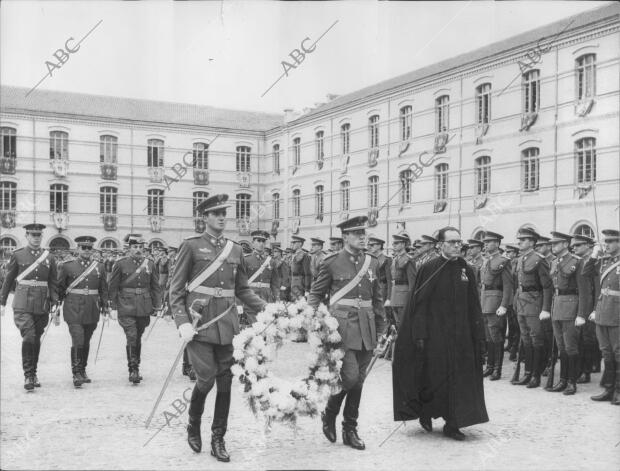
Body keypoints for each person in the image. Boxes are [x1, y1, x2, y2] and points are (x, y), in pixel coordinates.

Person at [169, 194, 267, 462]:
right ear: (204, 217)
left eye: (224, 213)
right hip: (200, 326)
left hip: (228, 325)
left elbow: (242, 289)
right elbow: (175, 290)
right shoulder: (190, 247)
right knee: (206, 378)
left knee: (225, 383)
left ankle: (218, 437)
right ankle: (193, 422)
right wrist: (183, 323)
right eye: (216, 213)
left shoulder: (235, 249)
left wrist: (265, 309)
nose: (222, 217)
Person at [392, 226, 488, 441]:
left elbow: (474, 304)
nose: (457, 246)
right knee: (433, 378)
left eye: (459, 242)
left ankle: (453, 423)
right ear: (440, 245)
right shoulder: (429, 268)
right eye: (452, 242)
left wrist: (478, 334)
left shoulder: (466, 268)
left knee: (459, 379)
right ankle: (426, 413)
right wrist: (419, 334)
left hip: (461, 335)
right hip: (435, 336)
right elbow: (419, 304)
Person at [308, 215, 387, 450]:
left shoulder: (372, 262)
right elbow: (315, 294)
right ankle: (330, 413)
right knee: (350, 377)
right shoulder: (332, 262)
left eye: (365, 234)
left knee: (359, 381)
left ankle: (350, 429)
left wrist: (381, 329)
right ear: (345, 237)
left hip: (367, 326)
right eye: (357, 234)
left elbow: (377, 298)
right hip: (341, 329)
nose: (363, 238)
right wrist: (313, 319)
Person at [0, 223, 59, 391]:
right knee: (29, 336)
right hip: (22, 303)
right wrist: (2, 302)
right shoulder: (17, 255)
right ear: (26, 236)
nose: (36, 238)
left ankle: (33, 373)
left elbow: (53, 283)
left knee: (36, 338)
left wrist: (55, 304)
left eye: (39, 235)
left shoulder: (49, 257)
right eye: (33, 235)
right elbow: (9, 280)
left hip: (41, 304)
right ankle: (28, 376)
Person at [108, 234, 162, 384]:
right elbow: (113, 286)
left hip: (144, 306)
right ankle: (133, 369)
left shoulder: (150, 264)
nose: (138, 250)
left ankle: (135, 364)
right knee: (131, 335)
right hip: (126, 304)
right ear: (129, 248)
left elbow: (155, 286)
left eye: (140, 247)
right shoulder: (120, 264)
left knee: (137, 336)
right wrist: (112, 306)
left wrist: (158, 304)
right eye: (134, 247)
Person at [56, 236, 108, 387]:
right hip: (73, 308)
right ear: (77, 249)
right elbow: (59, 287)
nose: (86, 251)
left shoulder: (100, 266)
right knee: (77, 339)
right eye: (83, 248)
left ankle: (83, 370)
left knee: (86, 340)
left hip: (92, 308)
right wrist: (56, 305)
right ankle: (76, 372)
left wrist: (105, 306)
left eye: (89, 248)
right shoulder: (67, 266)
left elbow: (103, 289)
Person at [513, 228, 553, 388]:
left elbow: (547, 287)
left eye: (523, 240)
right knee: (526, 338)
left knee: (536, 338)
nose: (520, 242)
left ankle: (536, 374)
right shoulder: (521, 259)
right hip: (522, 303)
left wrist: (545, 308)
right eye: (519, 240)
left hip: (535, 303)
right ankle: (527, 372)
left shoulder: (539, 259)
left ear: (531, 242)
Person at [583, 229, 620, 405]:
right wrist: (594, 255)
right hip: (603, 312)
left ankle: (618, 391)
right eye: (606, 242)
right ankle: (609, 389)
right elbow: (586, 272)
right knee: (606, 352)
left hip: (617, 314)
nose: (607, 244)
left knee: (618, 353)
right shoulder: (604, 262)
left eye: (611, 241)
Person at [545, 231, 584, 395]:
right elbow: (552, 287)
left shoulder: (576, 261)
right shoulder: (555, 262)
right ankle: (562, 379)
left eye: (556, 243)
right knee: (561, 347)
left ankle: (572, 382)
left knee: (571, 347)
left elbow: (583, 290)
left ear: (566, 244)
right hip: (557, 305)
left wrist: (581, 313)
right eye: (552, 243)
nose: (553, 246)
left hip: (570, 306)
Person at [479, 231, 513, 381]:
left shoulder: (503, 261)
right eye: (485, 242)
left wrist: (504, 305)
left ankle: (497, 369)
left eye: (489, 241)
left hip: (495, 301)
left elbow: (508, 285)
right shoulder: (487, 260)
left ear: (498, 244)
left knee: (496, 336)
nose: (485, 244)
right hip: (485, 300)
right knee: (488, 337)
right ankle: (490, 366)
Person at [571, 233, 596, 383]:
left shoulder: (594, 262)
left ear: (588, 246)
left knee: (587, 339)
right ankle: (579, 369)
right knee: (578, 339)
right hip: (577, 302)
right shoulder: (577, 261)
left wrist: (594, 308)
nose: (574, 248)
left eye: (578, 245)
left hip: (590, 303)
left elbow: (596, 288)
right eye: (573, 245)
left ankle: (586, 371)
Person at [243, 230, 277, 324]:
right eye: (258, 241)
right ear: (253, 243)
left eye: (263, 241)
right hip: (251, 296)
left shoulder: (271, 261)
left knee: (267, 324)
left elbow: (275, 283)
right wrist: (238, 303)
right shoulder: (246, 260)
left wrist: (277, 299)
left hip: (267, 297)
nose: (261, 244)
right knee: (254, 326)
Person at [387, 232, 415, 328]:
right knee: (397, 322)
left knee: (404, 323)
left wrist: (411, 298)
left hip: (404, 295)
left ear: (403, 244)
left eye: (396, 243)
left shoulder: (408, 260)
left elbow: (412, 282)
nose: (394, 246)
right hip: (395, 293)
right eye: (393, 244)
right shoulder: (395, 259)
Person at [289, 235, 312, 300]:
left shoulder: (304, 255)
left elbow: (307, 273)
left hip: (300, 283)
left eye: (294, 243)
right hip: (294, 282)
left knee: (300, 303)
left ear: (300, 244)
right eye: (292, 242)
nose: (292, 244)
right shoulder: (294, 255)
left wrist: (307, 289)